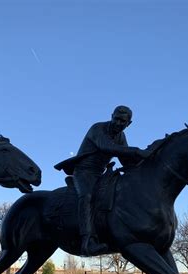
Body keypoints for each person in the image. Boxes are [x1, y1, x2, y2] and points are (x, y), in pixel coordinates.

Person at [54, 105, 151, 256]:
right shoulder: (97, 128)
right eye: (116, 119)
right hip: (84, 172)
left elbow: (125, 160)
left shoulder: (121, 137)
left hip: (101, 173)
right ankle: (87, 241)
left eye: (123, 121)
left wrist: (146, 163)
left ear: (129, 123)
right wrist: (137, 151)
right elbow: (106, 147)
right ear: (111, 116)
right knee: (86, 196)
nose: (118, 123)